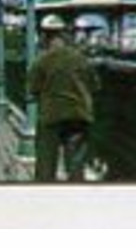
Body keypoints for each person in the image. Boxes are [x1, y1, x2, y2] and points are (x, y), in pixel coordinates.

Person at [28, 15, 100, 181]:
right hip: (78, 115)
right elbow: (95, 86)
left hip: (51, 117)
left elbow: (33, 90)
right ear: (64, 34)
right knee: (75, 166)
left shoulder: (41, 62)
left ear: (44, 36)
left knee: (46, 166)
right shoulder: (81, 59)